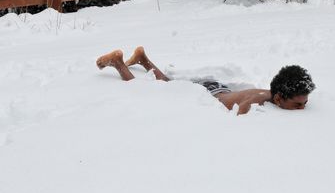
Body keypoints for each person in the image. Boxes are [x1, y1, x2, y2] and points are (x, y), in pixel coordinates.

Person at [96, 46, 315, 115]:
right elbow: (241, 116)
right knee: (155, 92)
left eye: (304, 103)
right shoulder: (258, 103)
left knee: (167, 83)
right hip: (206, 95)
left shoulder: (274, 95)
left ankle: (144, 59)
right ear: (278, 98)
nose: (302, 108)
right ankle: (118, 63)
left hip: (218, 89)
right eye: (297, 104)